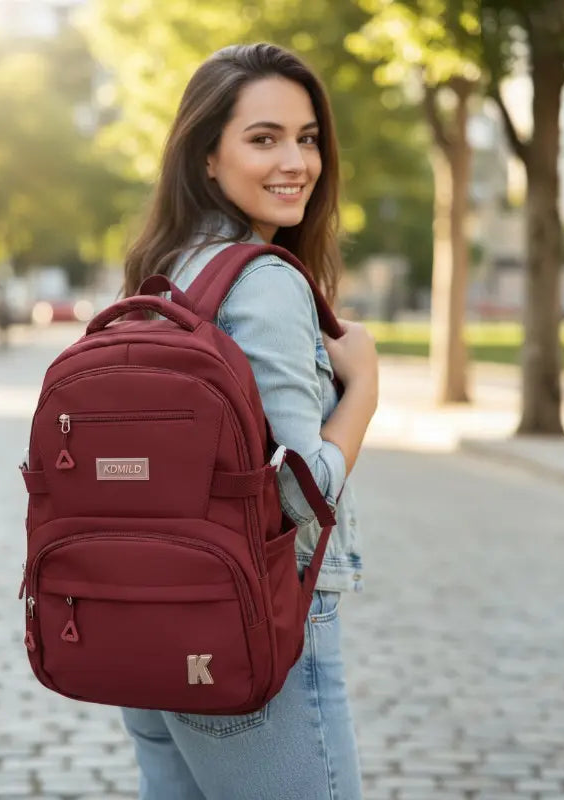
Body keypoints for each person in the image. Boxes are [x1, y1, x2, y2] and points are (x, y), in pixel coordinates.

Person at [120, 43, 378, 800]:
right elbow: (299, 492)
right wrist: (363, 390)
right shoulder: (263, 282)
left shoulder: (166, 270)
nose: (296, 162)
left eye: (307, 138)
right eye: (264, 138)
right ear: (207, 155)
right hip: (256, 620)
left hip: (150, 612)